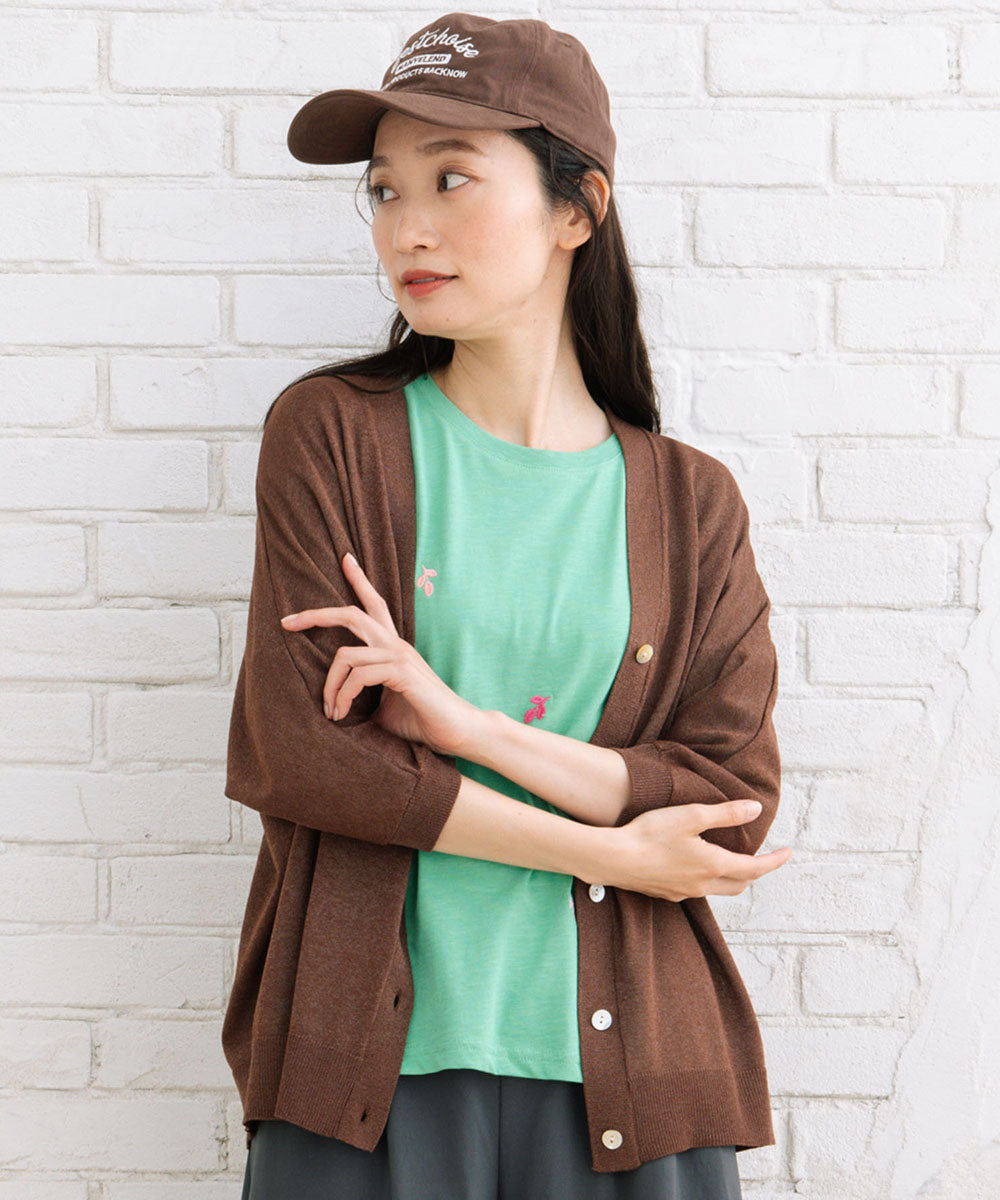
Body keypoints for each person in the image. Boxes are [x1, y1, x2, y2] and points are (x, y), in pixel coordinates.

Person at [223, 12, 794, 1199]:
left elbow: (727, 810)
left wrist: (467, 728)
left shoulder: (689, 504)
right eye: (384, 190)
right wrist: (613, 852)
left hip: (635, 1080)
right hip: (366, 1075)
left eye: (451, 178)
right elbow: (309, 757)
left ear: (577, 210)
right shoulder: (334, 438)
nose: (406, 227)